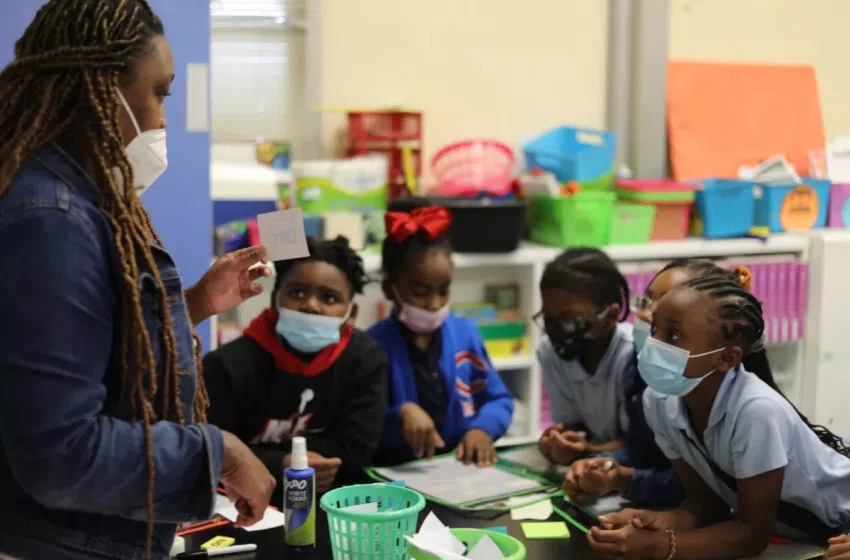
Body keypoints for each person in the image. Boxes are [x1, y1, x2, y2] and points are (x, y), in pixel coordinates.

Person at [0, 2, 276, 559]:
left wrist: (195, 303)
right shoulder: (50, 219)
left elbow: (88, 345)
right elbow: (61, 454)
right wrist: (217, 452)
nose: (163, 120)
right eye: (160, 94)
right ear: (100, 91)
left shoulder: (76, 200)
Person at [588, 274, 850, 559]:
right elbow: (707, 501)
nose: (652, 342)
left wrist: (658, 547)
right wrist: (658, 523)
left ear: (726, 358)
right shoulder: (658, 401)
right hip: (806, 539)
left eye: (673, 335)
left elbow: (753, 533)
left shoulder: (756, 411)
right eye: (654, 329)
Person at [204, 236, 388, 500]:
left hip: (334, 499)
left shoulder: (365, 359)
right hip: (245, 501)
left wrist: (279, 461)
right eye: (297, 293)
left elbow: (357, 449)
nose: (311, 305)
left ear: (352, 313)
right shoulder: (227, 366)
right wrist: (280, 464)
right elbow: (210, 448)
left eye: (329, 298)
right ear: (274, 300)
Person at [564, 259, 751, 507]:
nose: (644, 315)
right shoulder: (644, 368)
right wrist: (601, 464)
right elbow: (642, 449)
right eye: (647, 300)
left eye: (666, 307)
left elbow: (709, 489)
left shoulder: (740, 408)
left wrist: (626, 480)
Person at [370, 206, 514, 467]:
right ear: (390, 289)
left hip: (458, 468)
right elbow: (361, 425)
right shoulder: (373, 347)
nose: (434, 304)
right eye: (420, 292)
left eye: (443, 290)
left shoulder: (465, 334)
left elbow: (498, 399)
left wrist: (482, 429)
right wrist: (400, 415)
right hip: (398, 475)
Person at [535, 248, 632, 466]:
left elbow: (642, 446)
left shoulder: (633, 356)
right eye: (549, 318)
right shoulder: (550, 352)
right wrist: (558, 441)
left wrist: (588, 452)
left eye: (570, 318)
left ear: (610, 316)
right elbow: (573, 425)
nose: (558, 329)